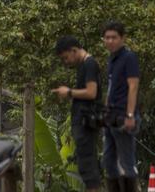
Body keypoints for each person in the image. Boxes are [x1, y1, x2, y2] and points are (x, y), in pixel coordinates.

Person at [52, 35, 101, 192]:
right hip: (82, 121)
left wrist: (69, 92)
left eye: (66, 58)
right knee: (84, 162)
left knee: (87, 163)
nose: (66, 62)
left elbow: (92, 92)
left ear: (74, 50)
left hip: (86, 121)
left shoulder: (90, 64)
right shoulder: (83, 66)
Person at [102, 21, 140, 192]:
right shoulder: (112, 59)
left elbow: (133, 85)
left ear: (122, 38)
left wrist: (130, 115)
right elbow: (111, 88)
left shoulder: (128, 58)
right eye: (107, 38)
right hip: (111, 117)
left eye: (114, 37)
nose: (110, 41)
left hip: (124, 117)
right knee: (108, 162)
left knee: (126, 162)